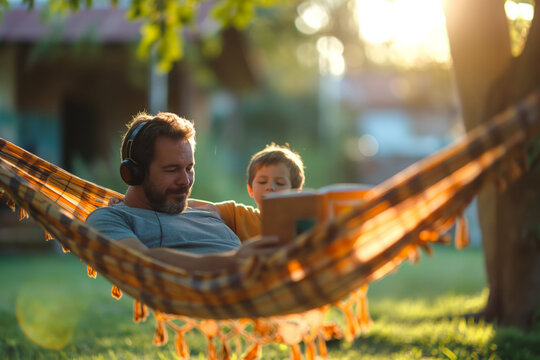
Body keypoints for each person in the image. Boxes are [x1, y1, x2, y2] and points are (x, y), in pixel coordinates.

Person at [86, 112, 276, 272]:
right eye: (171, 170)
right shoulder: (110, 218)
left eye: (189, 168)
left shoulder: (206, 210)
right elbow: (140, 260)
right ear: (135, 173)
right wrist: (235, 260)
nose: (185, 181)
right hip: (235, 290)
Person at [190, 143, 305, 241]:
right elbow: (206, 207)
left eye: (279, 183)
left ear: (295, 193)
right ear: (250, 189)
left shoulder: (301, 225)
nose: (270, 187)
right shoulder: (239, 215)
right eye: (262, 181)